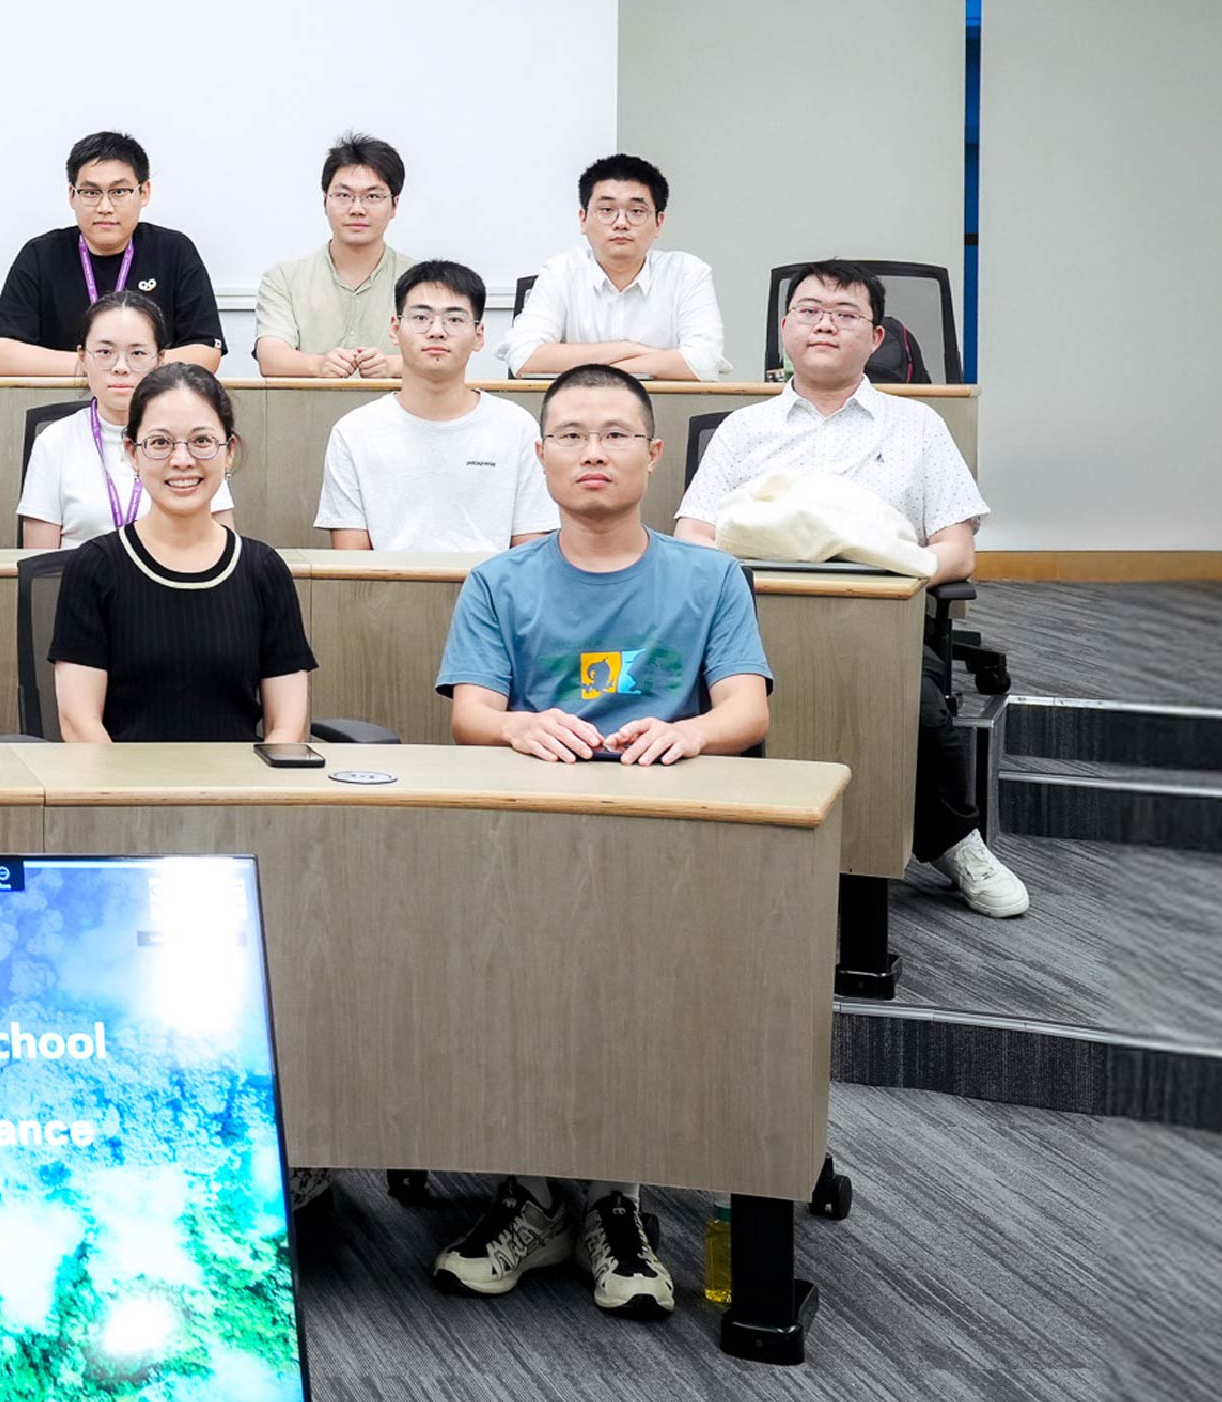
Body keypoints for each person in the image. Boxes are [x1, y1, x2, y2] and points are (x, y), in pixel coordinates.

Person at [425, 363, 769, 1319]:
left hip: (666, 840)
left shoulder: (710, 576)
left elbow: (744, 707)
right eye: (570, 435)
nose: (592, 452)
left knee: (639, 997)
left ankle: (616, 1199)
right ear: (539, 456)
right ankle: (535, 1195)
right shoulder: (499, 581)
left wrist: (690, 733)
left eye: (614, 434)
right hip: (532, 840)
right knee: (518, 985)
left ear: (652, 455)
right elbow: (471, 715)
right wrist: (518, 724)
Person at [678, 260, 1027, 917]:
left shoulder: (917, 426)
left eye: (845, 315)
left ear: (876, 338)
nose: (825, 325)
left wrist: (898, 571)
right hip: (752, 621)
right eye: (810, 311)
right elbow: (693, 533)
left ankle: (956, 842)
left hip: (881, 621)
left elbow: (957, 548)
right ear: (785, 327)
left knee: (920, 709)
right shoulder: (742, 429)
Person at [48, 365, 311, 742]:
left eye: (202, 440)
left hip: (239, 778)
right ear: (132, 453)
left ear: (229, 451)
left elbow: (288, 727)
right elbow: (79, 723)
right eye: (160, 442)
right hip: (120, 778)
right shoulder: (94, 568)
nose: (182, 459)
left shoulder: (263, 570)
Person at [315, 260, 558, 552]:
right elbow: (351, 561)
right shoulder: (354, 431)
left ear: (479, 335)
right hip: (387, 583)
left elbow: (529, 556)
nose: (437, 331)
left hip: (492, 582)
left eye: (454, 319)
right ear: (395, 329)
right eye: (421, 317)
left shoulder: (517, 427)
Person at [0, 132, 223, 375]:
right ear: (72, 196)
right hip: (65, 396)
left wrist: (123, 367)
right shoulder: (40, 255)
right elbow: (3, 355)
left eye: (119, 192)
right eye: (91, 192)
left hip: (151, 395)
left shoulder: (174, 251)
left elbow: (205, 353)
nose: (105, 207)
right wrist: (99, 366)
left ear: (144, 192)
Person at [17, 292, 229, 549]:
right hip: (82, 576)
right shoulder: (54, 441)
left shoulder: (193, 440)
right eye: (105, 352)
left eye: (137, 353)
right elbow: (39, 564)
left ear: (160, 360)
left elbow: (222, 548)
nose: (121, 366)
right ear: (82, 357)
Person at [498, 154, 724, 381]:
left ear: (658, 223)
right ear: (583, 219)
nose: (621, 223)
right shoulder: (560, 272)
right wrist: (628, 349)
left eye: (636, 211)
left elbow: (704, 362)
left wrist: (597, 368)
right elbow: (523, 357)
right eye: (607, 210)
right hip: (578, 402)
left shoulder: (687, 273)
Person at [253, 134, 418, 380]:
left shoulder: (422, 282)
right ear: (324, 201)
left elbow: (443, 359)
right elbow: (271, 358)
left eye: (373, 196)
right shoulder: (284, 278)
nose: (357, 209)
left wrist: (392, 366)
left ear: (394, 205)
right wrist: (319, 366)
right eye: (343, 195)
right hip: (310, 405)